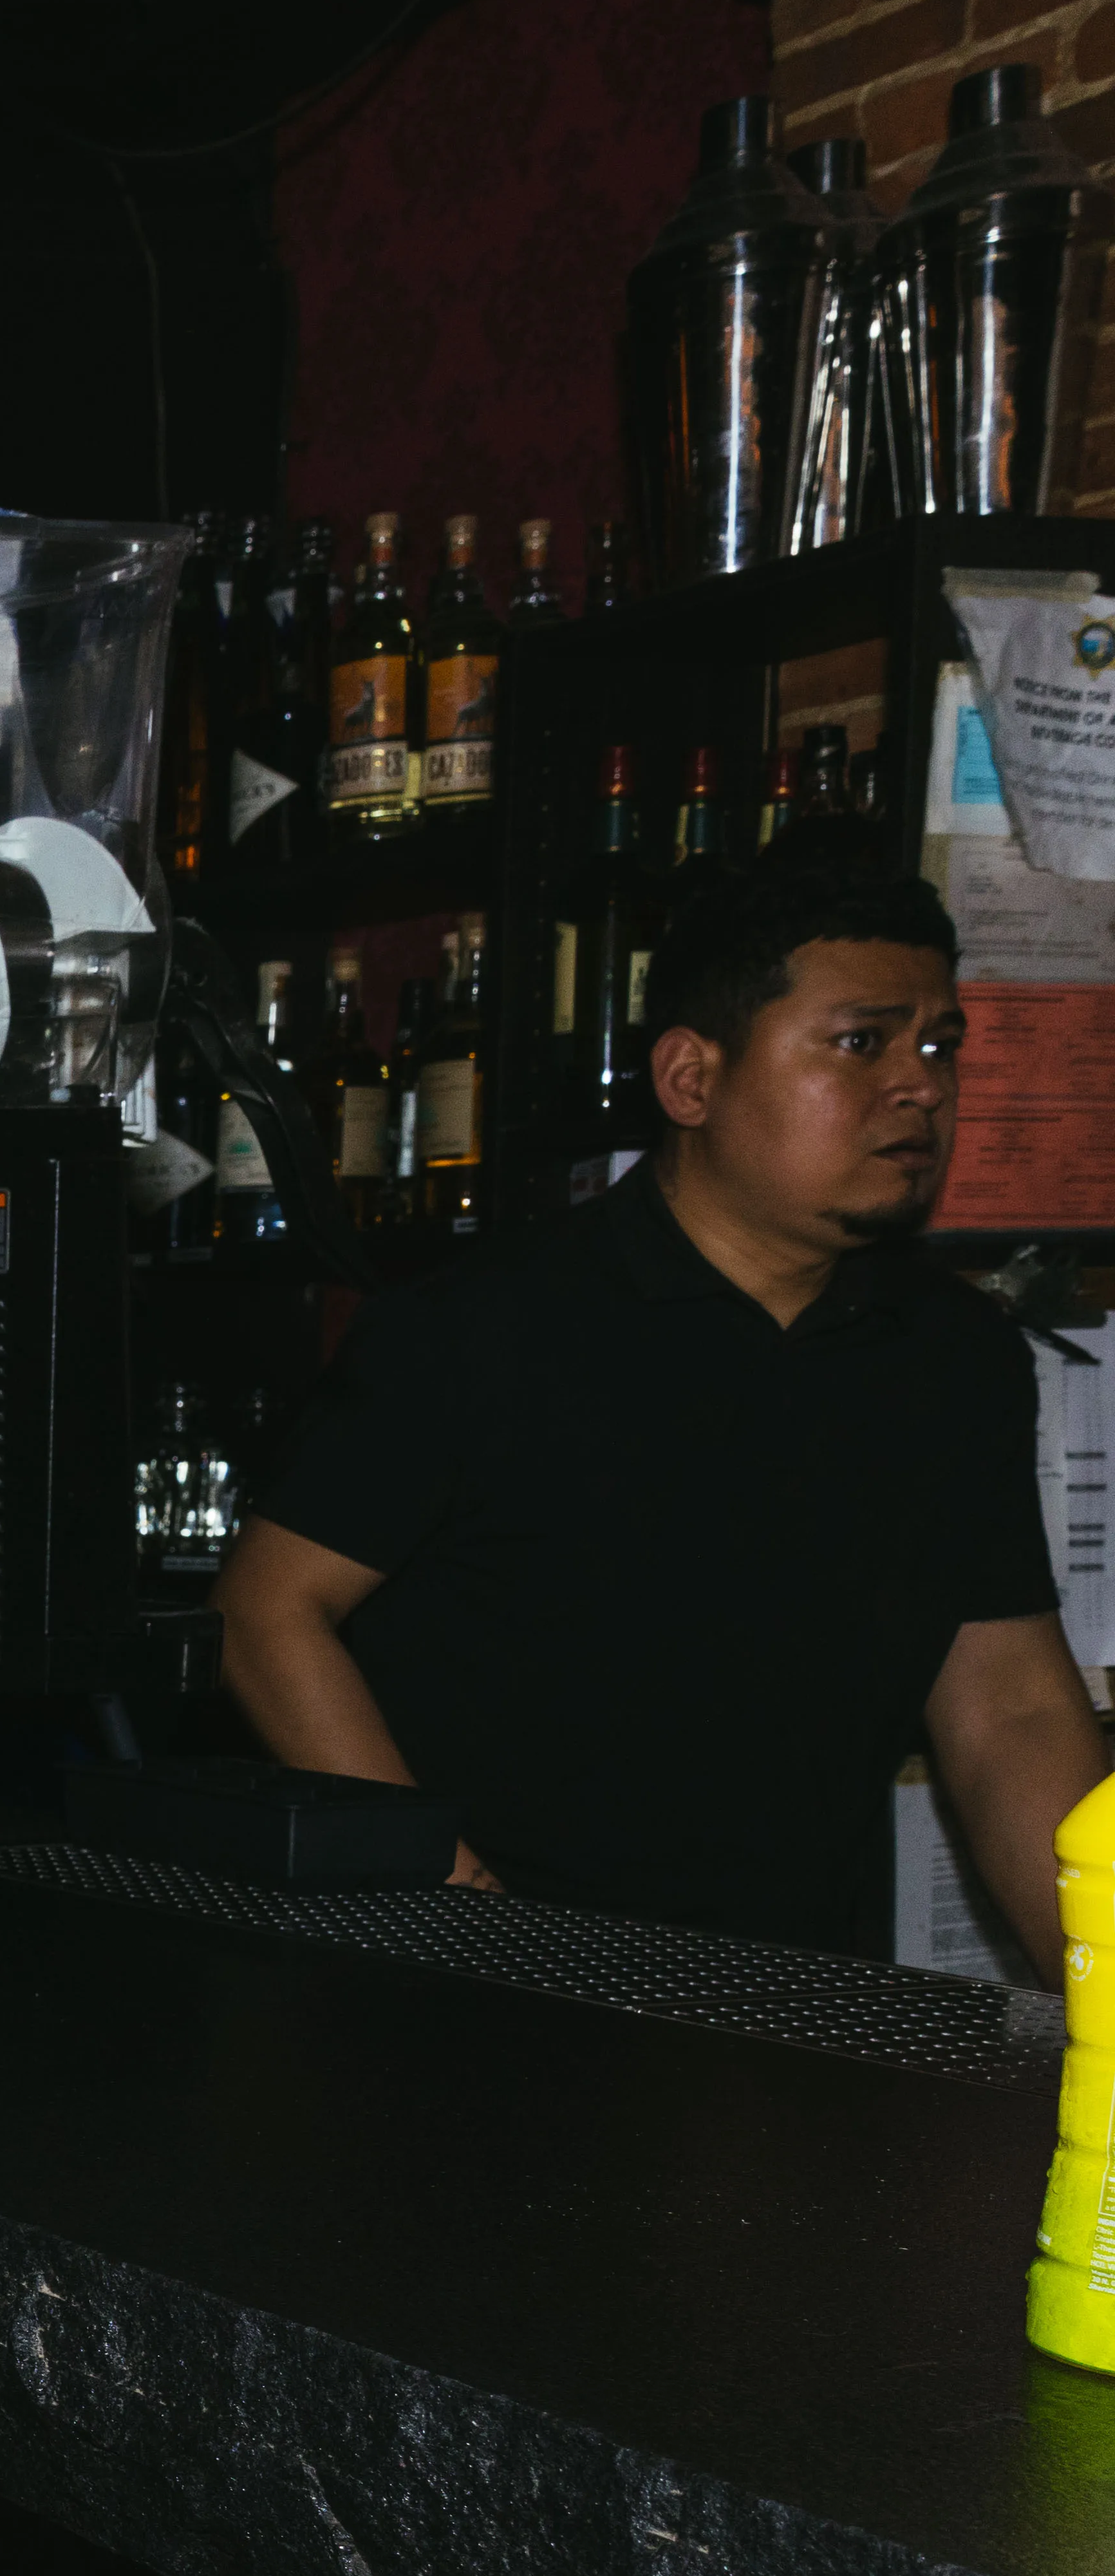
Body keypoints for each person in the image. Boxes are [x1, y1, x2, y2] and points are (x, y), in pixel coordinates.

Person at [220, 838, 1102, 1958]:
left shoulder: (953, 1357)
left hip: (791, 2019)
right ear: (693, 1078)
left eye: (939, 1045)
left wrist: (1107, 2008)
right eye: (860, 1042)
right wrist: (447, 1907)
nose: (920, 1083)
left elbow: (1009, 1709)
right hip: (484, 2018)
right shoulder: (487, 1326)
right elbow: (266, 1611)